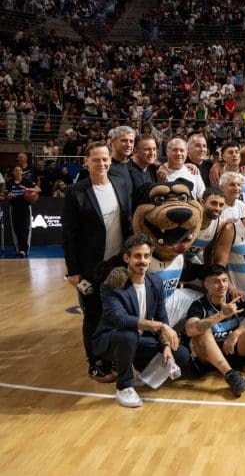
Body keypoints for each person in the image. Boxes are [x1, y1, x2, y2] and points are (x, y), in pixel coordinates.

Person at [92, 235, 191, 408]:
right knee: (128, 334)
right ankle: (124, 387)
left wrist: (166, 345)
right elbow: (120, 319)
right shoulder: (112, 285)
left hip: (140, 339)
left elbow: (162, 316)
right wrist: (161, 326)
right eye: (137, 256)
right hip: (111, 340)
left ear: (151, 257)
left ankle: (139, 372)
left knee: (181, 355)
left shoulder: (156, 283)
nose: (142, 261)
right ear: (126, 258)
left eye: (146, 256)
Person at [63, 141, 133, 382]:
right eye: (96, 159)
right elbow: (68, 235)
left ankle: (112, 356)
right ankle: (95, 363)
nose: (101, 163)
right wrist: (73, 272)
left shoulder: (121, 184)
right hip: (90, 267)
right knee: (93, 315)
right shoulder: (76, 192)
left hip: (119, 264)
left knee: (117, 312)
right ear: (86, 162)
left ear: (110, 160)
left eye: (105, 159)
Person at [185, 265, 245, 398]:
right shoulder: (198, 305)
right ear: (206, 285)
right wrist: (220, 316)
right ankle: (230, 375)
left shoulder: (235, 300)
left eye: (224, 280)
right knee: (202, 330)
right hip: (208, 360)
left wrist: (237, 333)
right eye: (216, 282)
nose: (222, 285)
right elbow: (190, 330)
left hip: (233, 351)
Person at [183, 187, 226, 280]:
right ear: (202, 202)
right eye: (213, 203)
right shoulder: (189, 218)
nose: (217, 208)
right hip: (172, 262)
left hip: (189, 262)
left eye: (221, 205)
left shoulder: (219, 224)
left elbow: (209, 250)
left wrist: (209, 272)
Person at [5, 165, 38, 257]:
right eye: (16, 170)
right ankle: (19, 249)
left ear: (22, 172)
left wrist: (29, 189)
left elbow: (38, 189)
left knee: (25, 229)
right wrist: (9, 195)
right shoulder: (10, 182)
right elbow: (6, 194)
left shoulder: (27, 181)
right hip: (14, 208)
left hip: (25, 208)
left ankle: (24, 250)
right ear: (13, 173)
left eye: (20, 170)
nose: (18, 172)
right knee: (16, 229)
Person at [127, 134, 160, 202]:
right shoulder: (126, 171)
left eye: (154, 149)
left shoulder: (153, 169)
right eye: (147, 149)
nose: (152, 153)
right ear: (135, 151)